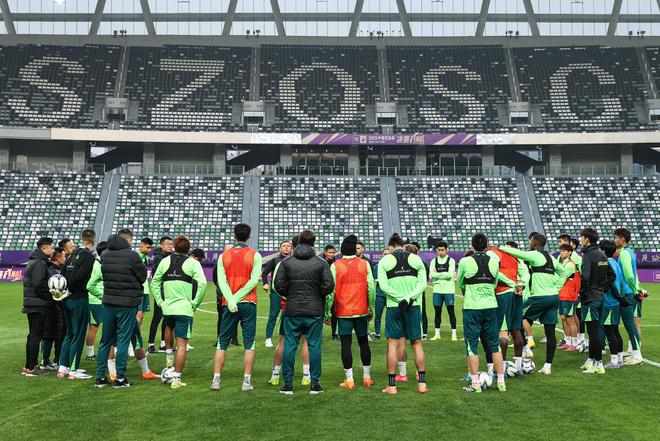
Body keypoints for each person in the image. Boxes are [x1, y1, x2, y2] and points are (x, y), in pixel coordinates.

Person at [92, 230, 159, 387]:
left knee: (105, 341)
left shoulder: (105, 255)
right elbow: (142, 276)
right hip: (127, 303)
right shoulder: (132, 256)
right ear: (127, 240)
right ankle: (120, 378)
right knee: (123, 340)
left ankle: (101, 377)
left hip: (109, 302)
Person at [274, 230, 334, 395]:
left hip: (293, 310)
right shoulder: (321, 263)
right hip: (314, 310)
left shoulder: (287, 262)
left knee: (290, 346)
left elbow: (278, 285)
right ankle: (314, 384)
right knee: (314, 346)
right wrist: (317, 295)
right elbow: (329, 286)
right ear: (314, 243)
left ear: (298, 241)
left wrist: (290, 295)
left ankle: (288, 385)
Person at [499, 233, 568, 375]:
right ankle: (547, 366)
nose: (530, 243)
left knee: (518, 320)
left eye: (531, 241)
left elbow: (519, 253)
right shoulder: (551, 258)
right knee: (550, 332)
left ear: (535, 243)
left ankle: (525, 349)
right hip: (553, 297)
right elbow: (564, 272)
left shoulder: (536, 254)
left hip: (539, 297)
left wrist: (500, 247)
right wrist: (557, 288)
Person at [211, 224, 262, 392]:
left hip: (229, 304)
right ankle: (246, 382)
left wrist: (232, 300)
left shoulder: (224, 256)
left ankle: (216, 380)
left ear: (234, 236)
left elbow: (221, 281)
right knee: (249, 343)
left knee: (222, 342)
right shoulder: (255, 255)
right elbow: (254, 281)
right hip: (248, 303)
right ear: (249, 236)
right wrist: (238, 298)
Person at [152, 235, 207, 389]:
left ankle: (169, 356)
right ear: (188, 249)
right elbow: (203, 284)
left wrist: (160, 301)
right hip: (184, 309)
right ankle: (176, 379)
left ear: (175, 247)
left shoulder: (165, 261)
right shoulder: (193, 263)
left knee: (169, 328)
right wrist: (195, 303)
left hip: (168, 307)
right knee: (182, 346)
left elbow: (155, 283)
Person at [459, 233, 510, 392]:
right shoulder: (494, 261)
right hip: (490, 306)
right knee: (494, 345)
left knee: (472, 346)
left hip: (472, 307)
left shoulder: (465, 261)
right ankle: (501, 382)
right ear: (487, 245)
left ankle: (475, 384)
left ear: (472, 245)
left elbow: (460, 282)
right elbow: (494, 283)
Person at [378, 233, 428, 395]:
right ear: (403, 245)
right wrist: (409, 298)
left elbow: (383, 286)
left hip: (394, 306)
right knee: (417, 344)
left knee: (392, 345)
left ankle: (392, 386)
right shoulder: (415, 259)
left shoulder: (385, 260)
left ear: (390, 247)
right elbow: (422, 284)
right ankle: (422, 384)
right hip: (413, 306)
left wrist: (400, 299)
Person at [325, 235, 376, 390]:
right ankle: (367, 378)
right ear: (355, 249)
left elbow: (330, 291)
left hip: (343, 312)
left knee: (346, 345)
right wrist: (371, 308)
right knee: (364, 342)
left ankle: (350, 380)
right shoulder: (364, 264)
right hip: (361, 311)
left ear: (342, 250)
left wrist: (327, 312)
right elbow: (371, 288)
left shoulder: (336, 265)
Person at [267, 235, 312, 387]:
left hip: (289, 308)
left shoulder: (284, 263)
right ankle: (306, 376)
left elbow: (276, 285)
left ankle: (275, 376)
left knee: (283, 342)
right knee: (305, 342)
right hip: (307, 308)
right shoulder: (314, 262)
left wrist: (287, 297)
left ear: (292, 246)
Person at [58, 229, 96, 380]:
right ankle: (73, 370)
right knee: (78, 335)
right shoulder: (88, 256)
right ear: (93, 241)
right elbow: (81, 277)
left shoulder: (72, 255)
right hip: (79, 299)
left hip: (66, 299)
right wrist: (72, 290)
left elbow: (63, 275)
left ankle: (63, 367)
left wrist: (66, 292)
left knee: (69, 334)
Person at [578, 228, 615, 374]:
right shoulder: (602, 254)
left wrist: (582, 292)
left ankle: (599, 364)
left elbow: (585, 277)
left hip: (590, 298)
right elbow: (611, 275)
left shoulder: (588, 255)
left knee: (593, 332)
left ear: (587, 239)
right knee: (596, 329)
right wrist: (602, 287)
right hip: (600, 297)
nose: (580, 239)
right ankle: (591, 360)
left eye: (581, 237)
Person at [22, 237, 55, 377]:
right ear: (44, 248)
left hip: (32, 303)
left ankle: (28, 366)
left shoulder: (34, 261)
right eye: (51, 247)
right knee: (35, 336)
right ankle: (32, 367)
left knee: (33, 336)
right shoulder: (40, 263)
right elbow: (39, 284)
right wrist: (51, 296)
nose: (53, 250)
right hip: (38, 304)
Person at [614, 227, 646, 365]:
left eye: (616, 238)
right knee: (630, 324)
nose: (615, 240)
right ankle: (633, 352)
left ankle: (637, 356)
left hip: (627, 293)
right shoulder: (629, 252)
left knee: (630, 325)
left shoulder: (625, 254)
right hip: (628, 292)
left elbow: (629, 275)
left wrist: (634, 290)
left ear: (622, 239)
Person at [600, 239, 627, 369]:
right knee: (615, 330)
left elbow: (611, 284)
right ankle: (619, 358)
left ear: (603, 251)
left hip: (609, 301)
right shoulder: (615, 263)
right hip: (615, 301)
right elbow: (620, 282)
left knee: (609, 331)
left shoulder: (606, 264)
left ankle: (614, 361)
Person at [262, 240, 293, 348]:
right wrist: (265, 283)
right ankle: (268, 338)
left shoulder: (294, 261)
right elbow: (264, 273)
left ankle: (286, 337)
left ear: (291, 248)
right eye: (284, 246)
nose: (286, 247)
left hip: (289, 293)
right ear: (280, 248)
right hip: (276, 293)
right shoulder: (275, 260)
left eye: (288, 246)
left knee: (287, 316)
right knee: (273, 315)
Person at [41, 246, 67, 370]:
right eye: (64, 256)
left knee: (58, 335)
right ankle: (46, 361)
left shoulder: (59, 270)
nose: (65, 259)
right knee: (49, 335)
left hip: (57, 308)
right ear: (58, 258)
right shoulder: (52, 272)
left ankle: (56, 360)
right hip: (52, 308)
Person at [148, 236, 173, 354]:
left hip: (168, 290)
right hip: (160, 291)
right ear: (162, 245)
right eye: (167, 244)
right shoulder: (158, 258)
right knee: (157, 317)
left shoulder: (170, 257)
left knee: (166, 318)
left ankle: (163, 344)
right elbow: (160, 275)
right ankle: (151, 344)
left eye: (171, 244)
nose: (170, 246)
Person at [84, 241, 108, 361]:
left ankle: (96, 352)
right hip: (96, 300)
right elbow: (90, 285)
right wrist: (102, 295)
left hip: (99, 300)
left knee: (99, 326)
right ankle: (90, 353)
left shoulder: (99, 263)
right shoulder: (97, 264)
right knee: (94, 327)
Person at [429, 241, 457, 341]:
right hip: (437, 290)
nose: (440, 252)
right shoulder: (433, 261)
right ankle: (437, 334)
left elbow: (450, 274)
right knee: (437, 312)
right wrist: (444, 274)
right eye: (439, 250)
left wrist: (438, 275)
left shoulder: (451, 260)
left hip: (449, 290)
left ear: (446, 250)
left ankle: (454, 334)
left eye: (442, 250)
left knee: (451, 312)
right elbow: (431, 274)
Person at [556, 244, 580, 352]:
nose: (561, 253)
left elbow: (562, 278)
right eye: (561, 251)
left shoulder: (570, 264)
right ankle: (568, 341)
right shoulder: (563, 263)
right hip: (562, 294)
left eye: (564, 251)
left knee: (570, 319)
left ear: (570, 252)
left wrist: (555, 289)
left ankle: (574, 343)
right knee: (564, 318)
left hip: (569, 296)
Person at [369, 249, 390, 341]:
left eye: (388, 254)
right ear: (382, 255)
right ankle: (377, 333)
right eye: (385, 254)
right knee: (378, 315)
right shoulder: (376, 267)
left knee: (390, 315)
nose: (387, 255)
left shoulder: (394, 266)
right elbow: (374, 279)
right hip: (379, 294)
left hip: (390, 295)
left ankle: (390, 333)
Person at [411, 241, 429, 340]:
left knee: (422, 311)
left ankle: (424, 332)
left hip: (419, 291)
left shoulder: (422, 263)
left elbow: (425, 279)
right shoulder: (411, 262)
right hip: (414, 290)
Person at [136, 238, 154, 327]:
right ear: (141, 246)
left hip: (145, 290)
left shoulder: (145, 258)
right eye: (148, 247)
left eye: (150, 248)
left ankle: (136, 335)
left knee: (141, 317)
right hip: (137, 291)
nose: (149, 250)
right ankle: (131, 336)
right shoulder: (135, 257)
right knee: (138, 316)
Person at [323, 244, 339, 341]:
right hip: (322, 292)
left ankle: (334, 334)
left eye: (333, 252)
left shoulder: (337, 263)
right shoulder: (320, 262)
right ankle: (317, 335)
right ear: (325, 253)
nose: (332, 254)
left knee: (334, 313)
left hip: (334, 292)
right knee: (319, 314)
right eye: (330, 252)